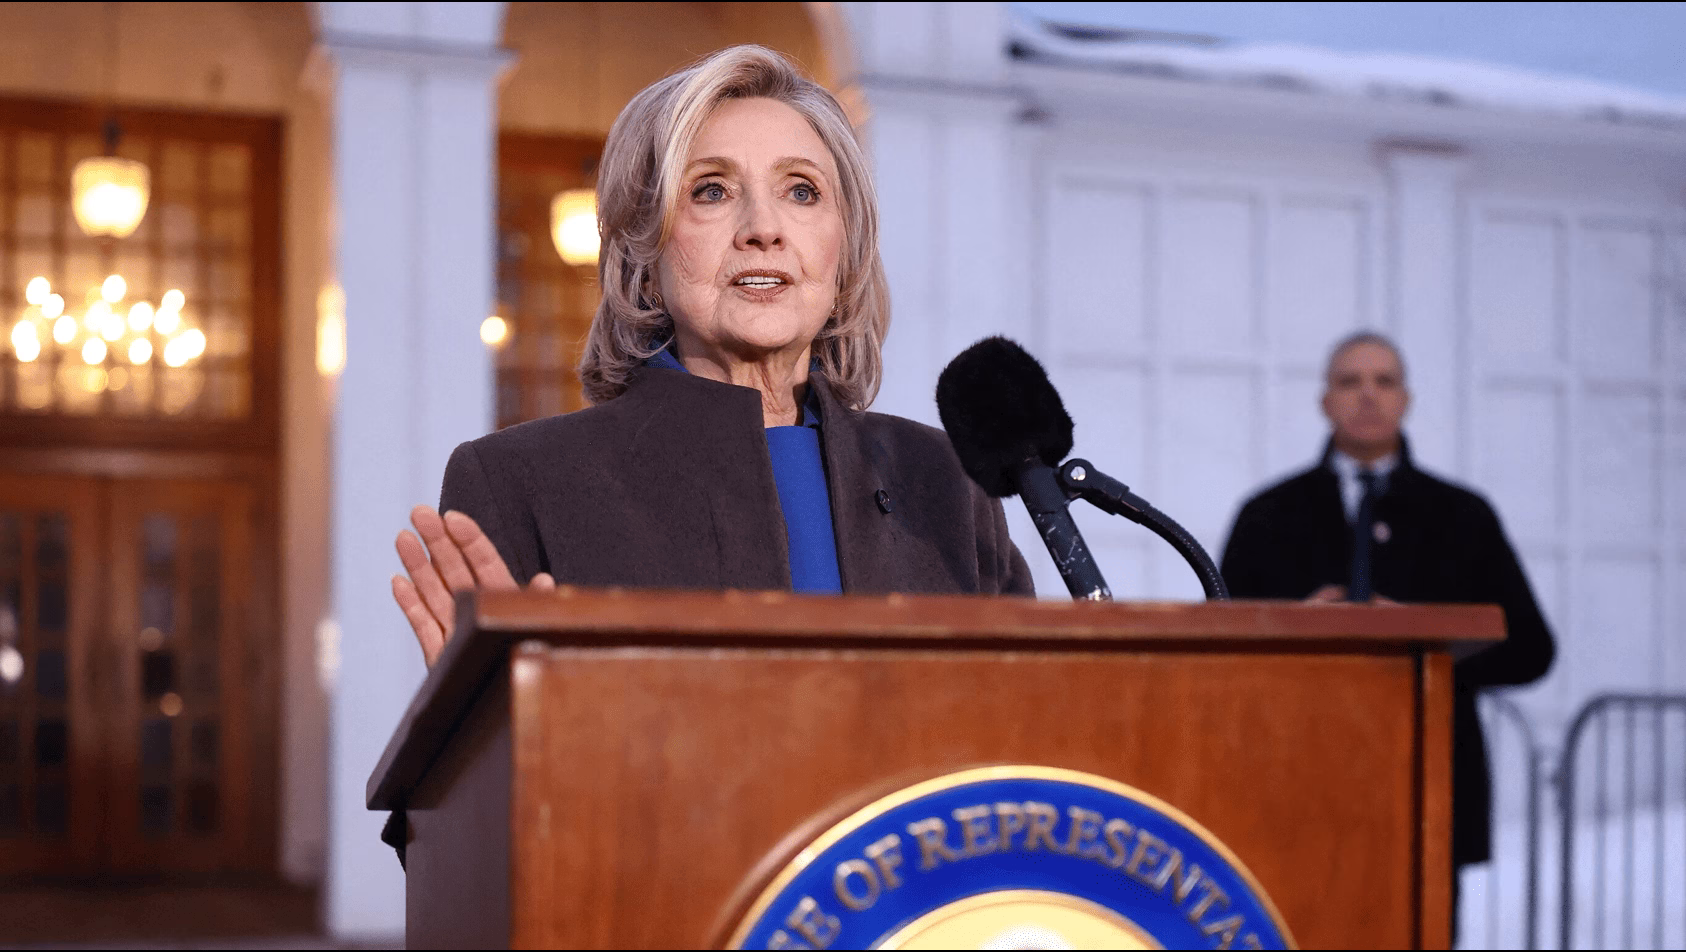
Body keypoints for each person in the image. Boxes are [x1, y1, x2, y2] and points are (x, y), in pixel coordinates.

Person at [390, 43, 1033, 668]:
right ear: (645, 256)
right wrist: (484, 713)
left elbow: (1029, 743)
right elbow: (476, 770)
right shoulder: (518, 483)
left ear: (847, 251)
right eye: (711, 190)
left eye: (801, 191)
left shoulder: (948, 482)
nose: (763, 227)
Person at [1219, 330, 1555, 937]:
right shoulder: (1269, 514)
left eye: (1384, 381)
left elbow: (1532, 648)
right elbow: (1220, 650)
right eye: (1349, 381)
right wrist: (1298, 624)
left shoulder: (1463, 515)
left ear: (1407, 399)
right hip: (1297, 786)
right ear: (1325, 402)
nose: (1367, 396)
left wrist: (1421, 639)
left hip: (1425, 785)